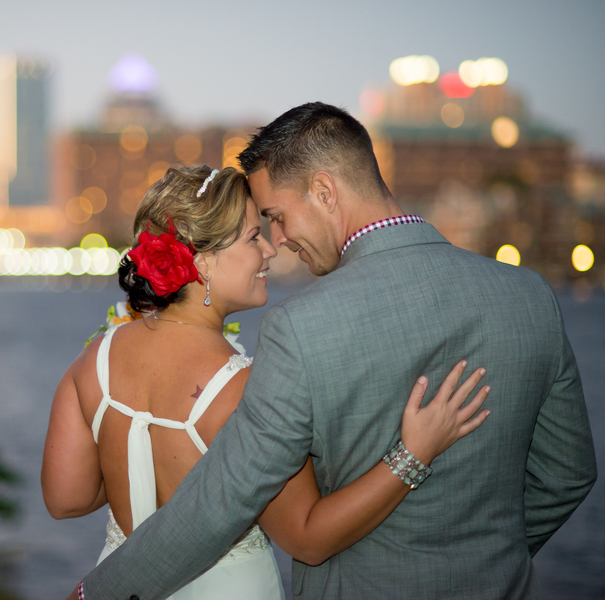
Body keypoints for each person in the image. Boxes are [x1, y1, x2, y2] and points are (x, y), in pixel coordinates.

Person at [70, 103, 598, 600]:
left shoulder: (301, 327)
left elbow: (220, 501)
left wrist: (100, 591)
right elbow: (568, 474)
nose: (279, 241)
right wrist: (487, 556)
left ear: (324, 191)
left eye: (276, 216)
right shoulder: (530, 297)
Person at [44, 164, 491, 599]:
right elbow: (308, 537)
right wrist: (413, 454)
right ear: (200, 263)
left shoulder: (94, 360)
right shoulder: (245, 390)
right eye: (253, 237)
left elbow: (66, 499)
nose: (270, 251)